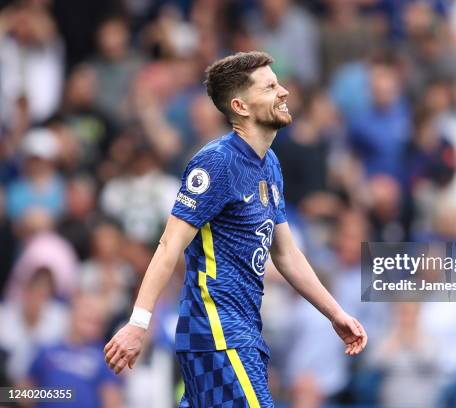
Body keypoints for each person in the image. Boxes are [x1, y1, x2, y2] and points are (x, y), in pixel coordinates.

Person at [103, 51, 368, 407]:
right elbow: (169, 245)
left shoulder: (269, 164)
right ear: (241, 106)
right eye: (271, 86)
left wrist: (335, 313)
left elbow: (286, 253)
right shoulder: (217, 161)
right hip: (218, 331)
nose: (284, 91)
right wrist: (138, 323)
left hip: (241, 331)